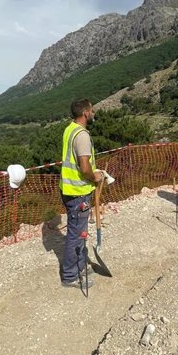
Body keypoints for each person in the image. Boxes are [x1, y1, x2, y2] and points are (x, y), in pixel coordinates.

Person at [59, 99, 104, 288]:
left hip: (69, 189)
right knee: (76, 234)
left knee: (76, 231)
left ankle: (79, 264)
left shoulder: (69, 128)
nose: (93, 113)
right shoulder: (82, 135)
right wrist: (95, 176)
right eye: (91, 110)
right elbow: (84, 166)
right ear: (85, 113)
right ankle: (70, 275)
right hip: (78, 192)